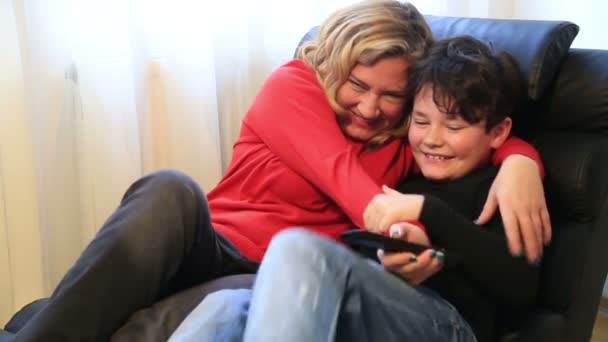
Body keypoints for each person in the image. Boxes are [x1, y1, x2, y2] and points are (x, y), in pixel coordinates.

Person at [14, 1, 547, 341]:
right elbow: (360, 192)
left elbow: (460, 134)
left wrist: (521, 156)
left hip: (275, 275)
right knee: (170, 189)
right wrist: (399, 217)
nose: (370, 109)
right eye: (357, 86)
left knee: (225, 305)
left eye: (392, 97)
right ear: (333, 67)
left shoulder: (409, 139)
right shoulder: (293, 87)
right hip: (210, 246)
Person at [170, 35, 539, 342]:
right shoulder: (402, 171)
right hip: (375, 301)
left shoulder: (500, 186)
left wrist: (430, 213)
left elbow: (522, 286)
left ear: (499, 132)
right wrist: (401, 244)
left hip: (450, 323)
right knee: (226, 306)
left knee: (297, 247)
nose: (432, 140)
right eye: (421, 121)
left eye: (454, 128)